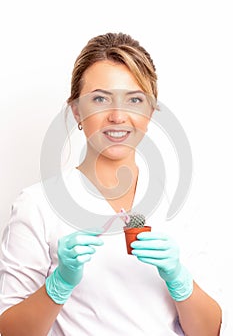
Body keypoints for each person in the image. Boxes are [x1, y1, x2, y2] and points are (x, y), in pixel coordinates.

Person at [0, 32, 225, 335]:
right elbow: (11, 331)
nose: (118, 116)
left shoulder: (179, 203)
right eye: (100, 99)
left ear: (150, 110)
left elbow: (209, 330)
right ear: (77, 110)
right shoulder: (38, 205)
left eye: (134, 99)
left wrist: (179, 279)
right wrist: (59, 285)